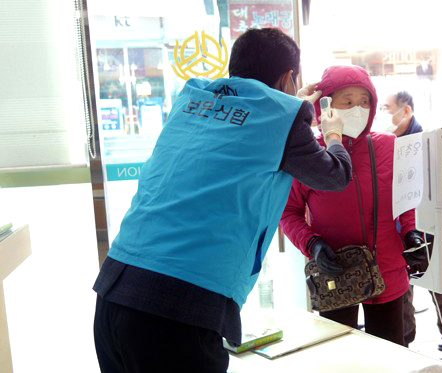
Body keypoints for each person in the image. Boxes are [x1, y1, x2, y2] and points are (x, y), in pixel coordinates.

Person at [92, 28, 353, 373]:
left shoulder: (192, 98)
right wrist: (332, 132)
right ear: (288, 77)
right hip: (178, 309)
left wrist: (290, 104)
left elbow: (246, 120)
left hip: (114, 292)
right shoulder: (285, 118)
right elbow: (335, 175)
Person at [280, 65, 422, 347]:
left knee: (391, 358)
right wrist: (313, 245)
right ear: (326, 105)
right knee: (338, 357)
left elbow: (406, 201)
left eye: (365, 101)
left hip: (388, 271)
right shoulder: (311, 154)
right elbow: (288, 213)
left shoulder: (389, 146)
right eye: (347, 101)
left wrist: (411, 233)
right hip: (334, 271)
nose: (358, 109)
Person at [384, 91, 442, 351]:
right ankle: (405, 339)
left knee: (441, 284)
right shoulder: (386, 142)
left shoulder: (427, 140)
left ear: (405, 111)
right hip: (397, 227)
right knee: (402, 287)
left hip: (428, 224)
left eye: (388, 108)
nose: (384, 114)